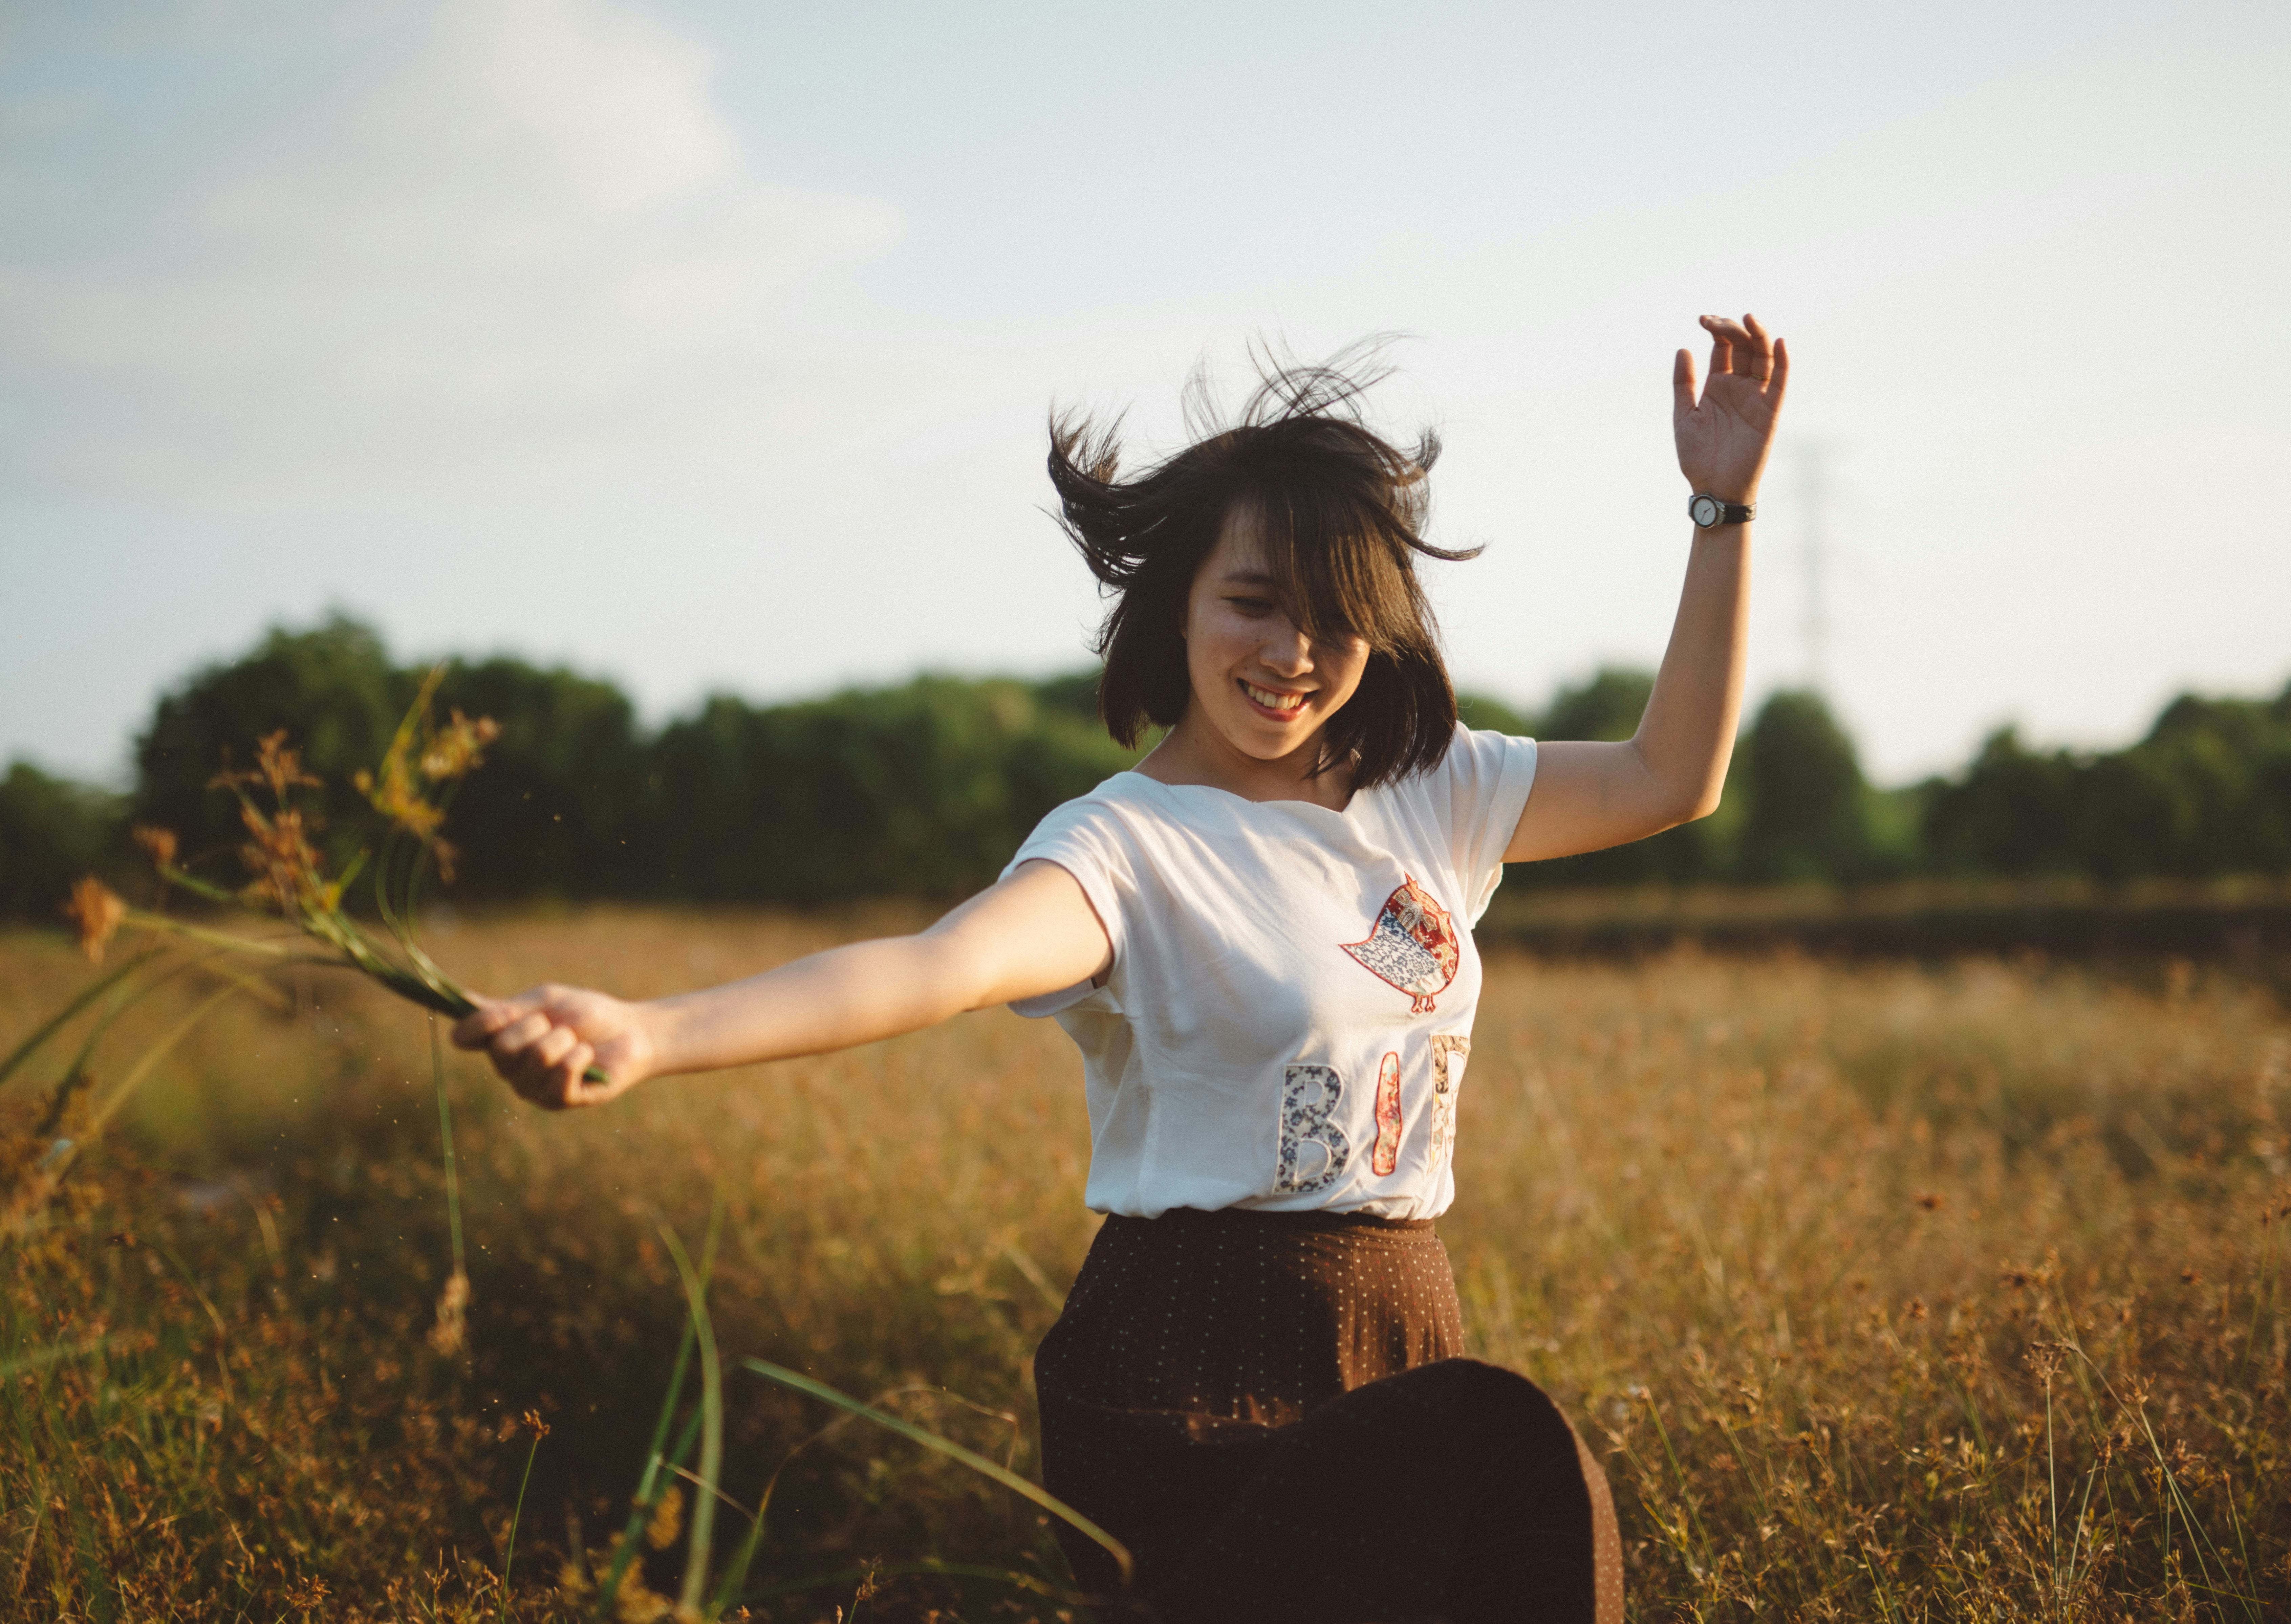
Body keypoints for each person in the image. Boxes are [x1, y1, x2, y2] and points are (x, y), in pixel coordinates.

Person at [456, 315, 1788, 1622]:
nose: (1291, 655)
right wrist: (649, 1031)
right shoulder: (1126, 846)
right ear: (1180, 605)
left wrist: (1719, 516)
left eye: (1333, 620)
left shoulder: (1430, 790)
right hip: (1187, 1355)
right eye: (1252, 604)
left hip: (1399, 1322)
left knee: (1526, 1509)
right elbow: (934, 969)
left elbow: (1671, 776)